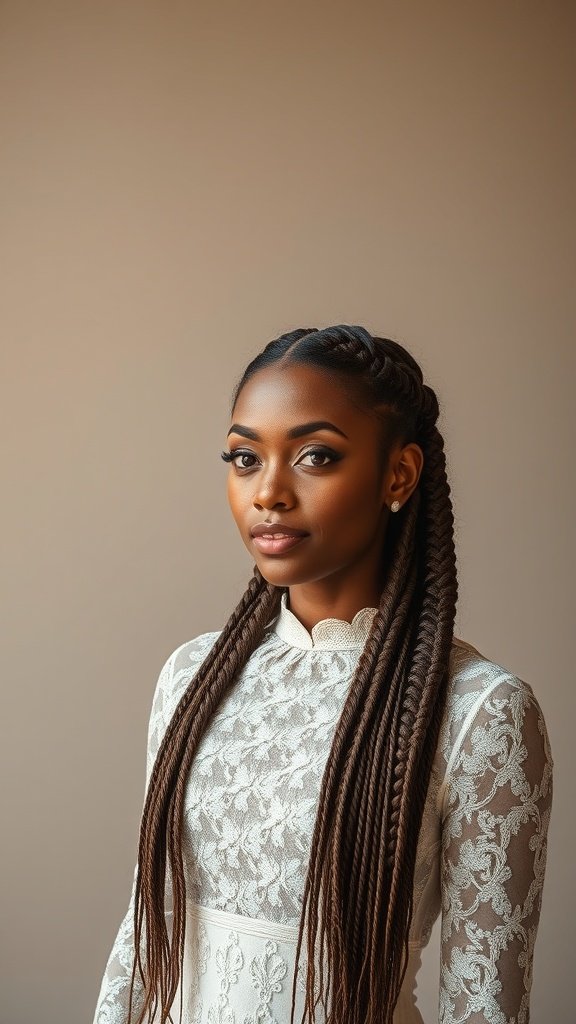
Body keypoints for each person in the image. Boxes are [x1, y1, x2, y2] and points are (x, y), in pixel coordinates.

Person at [92, 325, 553, 1024]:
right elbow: (143, 930)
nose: (269, 492)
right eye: (245, 458)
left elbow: (484, 1007)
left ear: (398, 475)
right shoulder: (192, 676)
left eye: (315, 456)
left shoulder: (481, 712)